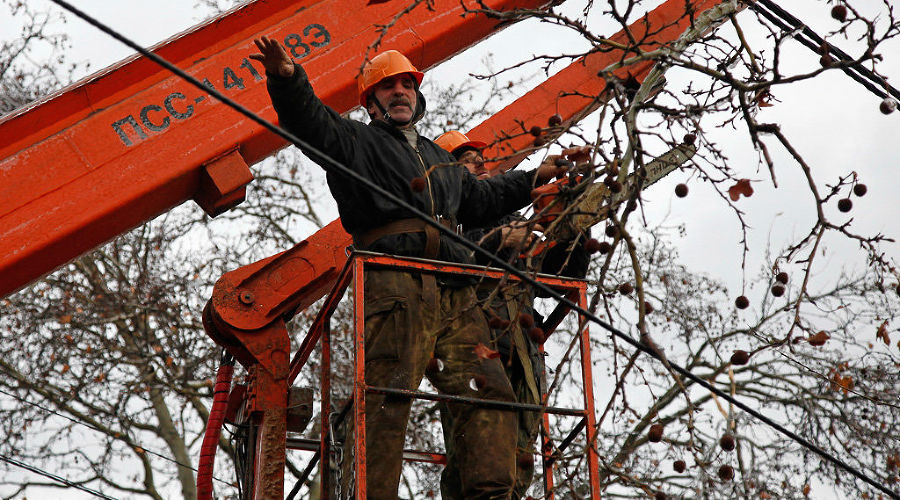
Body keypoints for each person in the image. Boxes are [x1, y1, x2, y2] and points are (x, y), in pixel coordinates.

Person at [250, 40, 567, 499]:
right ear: (371, 100)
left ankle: (487, 495)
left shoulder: (440, 158)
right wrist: (287, 80)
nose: (400, 92)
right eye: (388, 86)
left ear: (418, 96)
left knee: (490, 391)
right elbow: (311, 124)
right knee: (388, 397)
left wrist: (534, 177)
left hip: (454, 290)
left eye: (407, 84)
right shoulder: (355, 143)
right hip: (396, 285)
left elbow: (483, 199)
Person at [435, 131, 591, 499]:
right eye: (464, 159)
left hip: (521, 348)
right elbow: (439, 267)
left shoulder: (511, 216)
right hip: (469, 342)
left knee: (519, 460)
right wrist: (495, 241)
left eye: (479, 157)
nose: (478, 163)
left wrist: (571, 223)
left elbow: (565, 275)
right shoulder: (441, 218)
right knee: (477, 454)